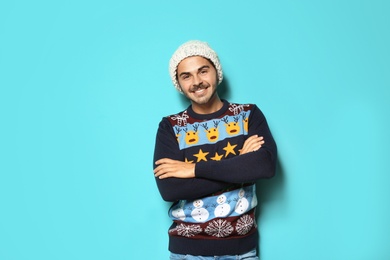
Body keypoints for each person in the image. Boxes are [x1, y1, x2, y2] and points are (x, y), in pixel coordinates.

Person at [153, 40, 277, 260]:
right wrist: (240, 164)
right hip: (188, 251)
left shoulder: (248, 115)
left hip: (243, 250)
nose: (197, 82)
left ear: (216, 72)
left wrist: (193, 169)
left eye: (203, 71)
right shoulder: (170, 127)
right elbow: (170, 189)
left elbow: (265, 167)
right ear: (179, 84)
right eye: (186, 76)